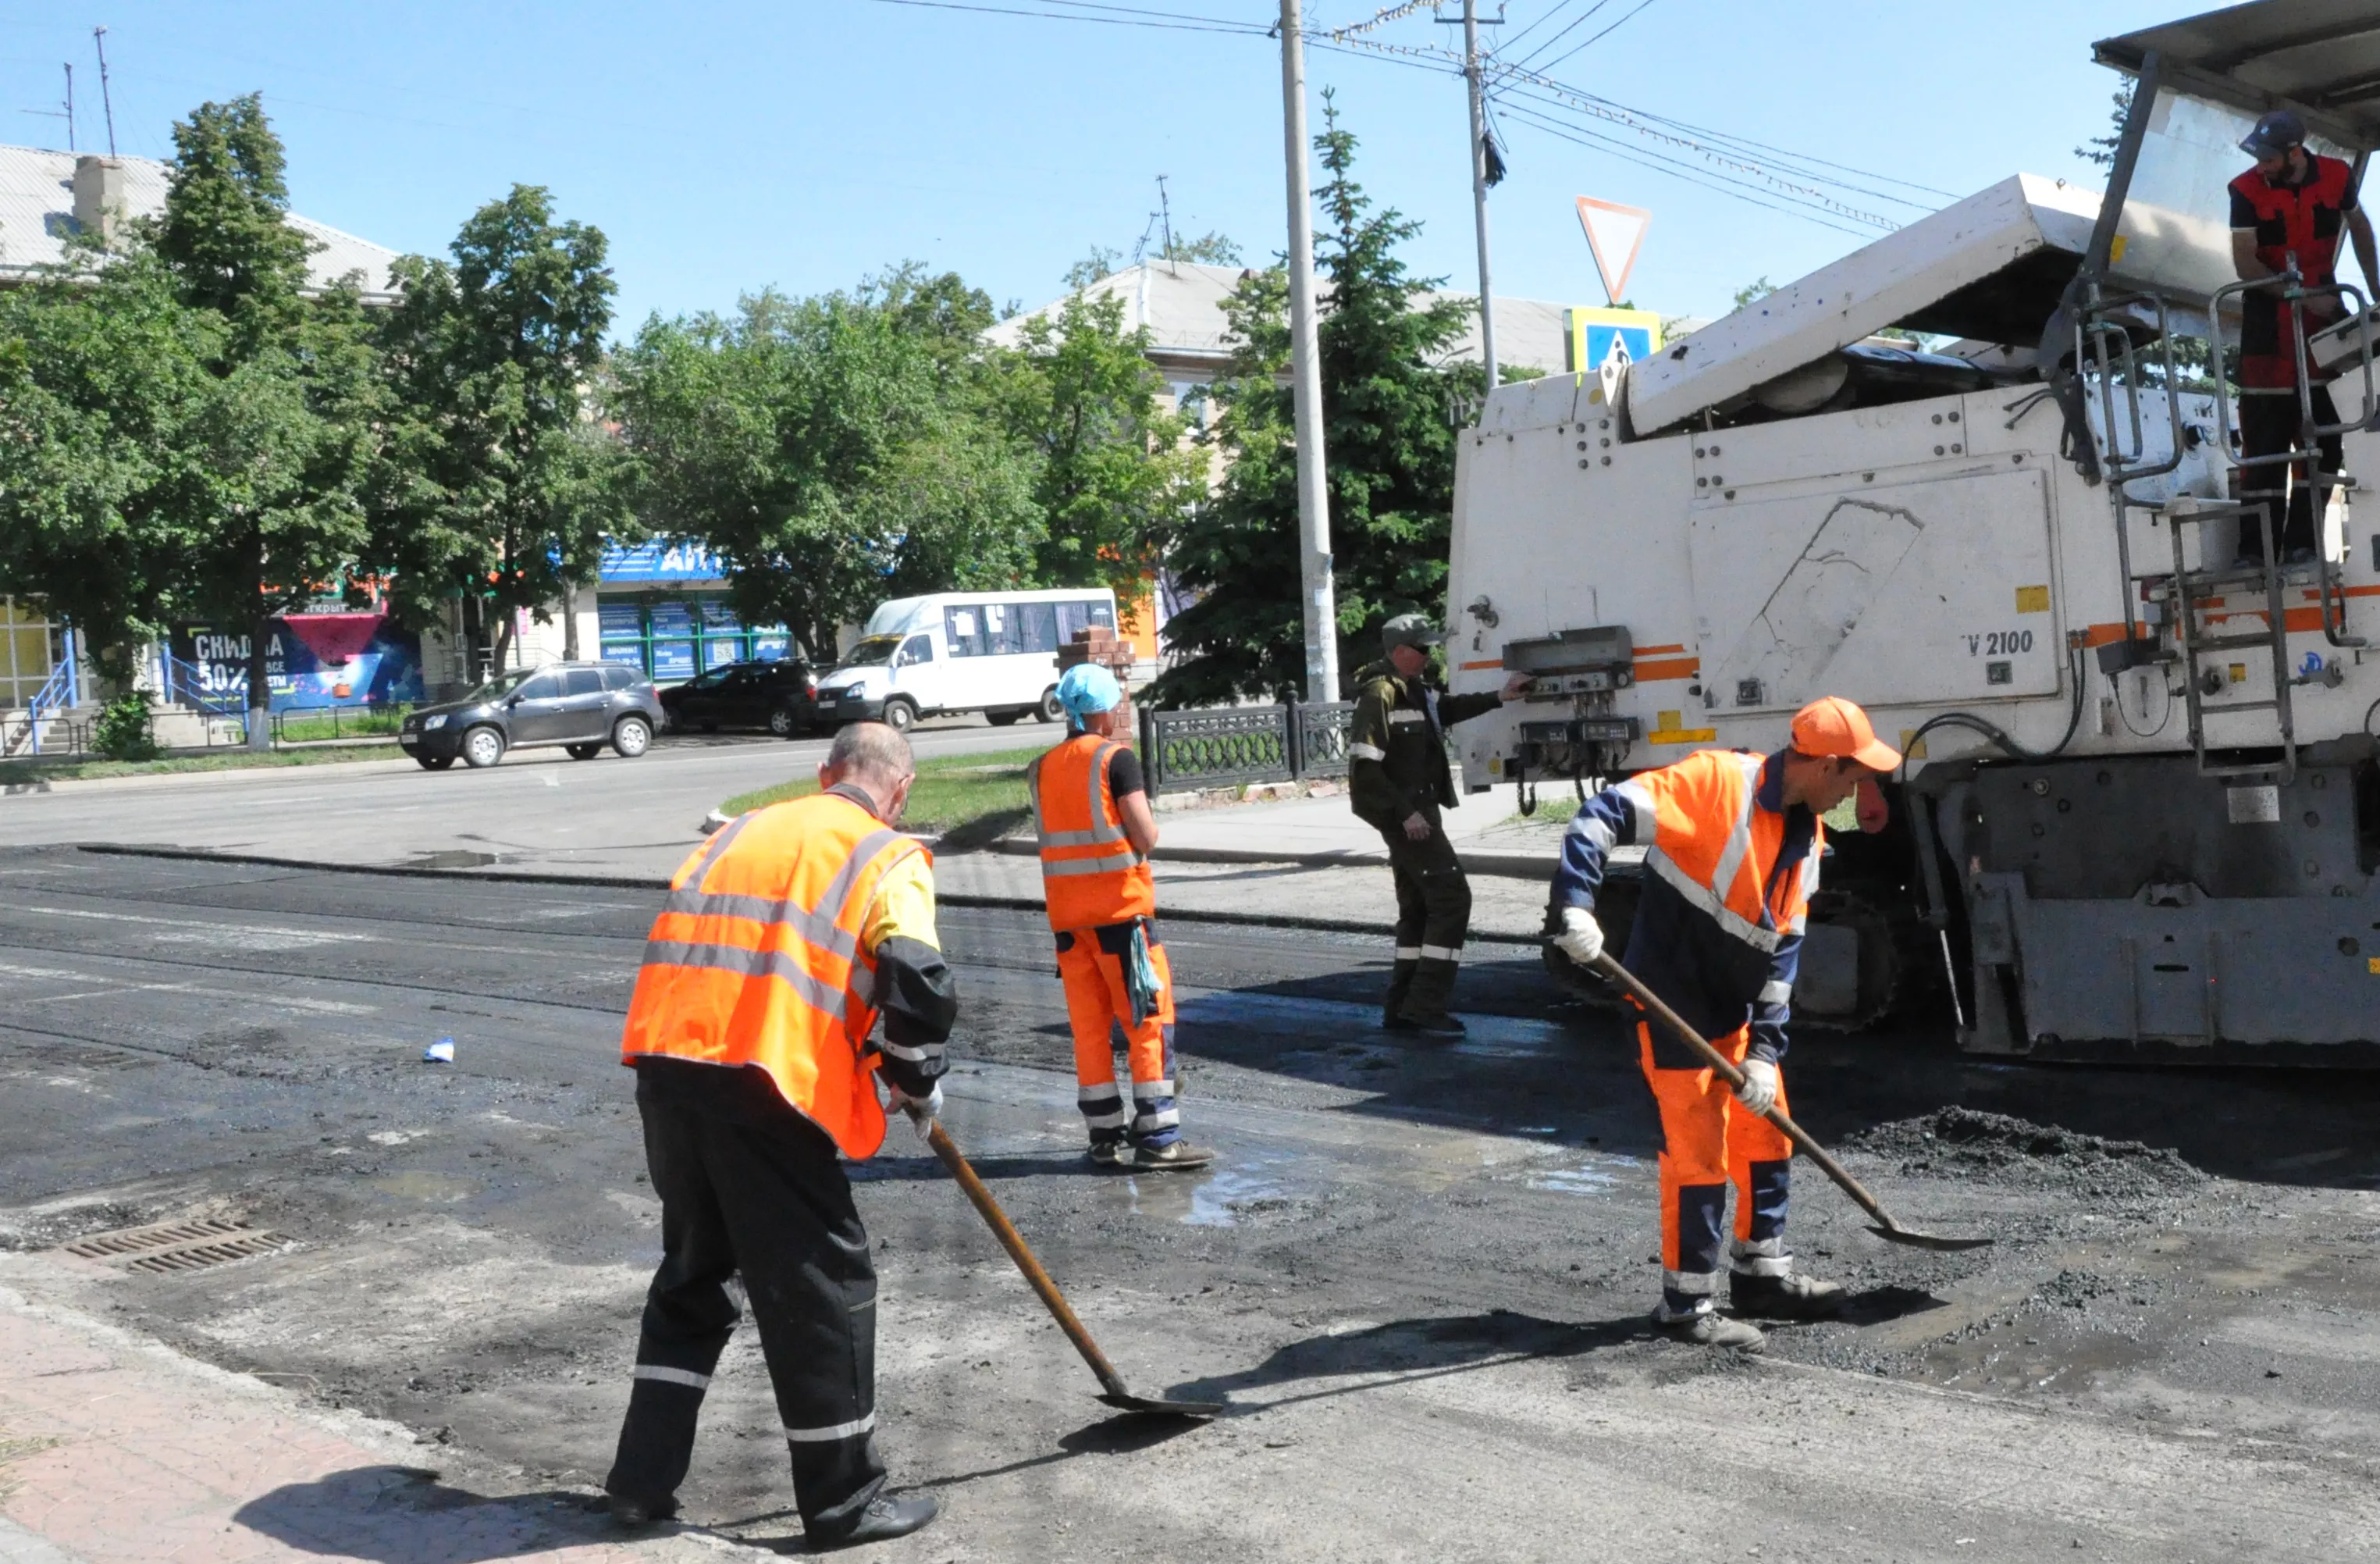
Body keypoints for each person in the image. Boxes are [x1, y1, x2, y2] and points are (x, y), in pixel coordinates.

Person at [605, 721, 953, 1548]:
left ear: (824, 771)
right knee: (823, 1287)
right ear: (898, 790)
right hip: (765, 1087)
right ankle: (844, 1503)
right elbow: (916, 979)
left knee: (694, 1275)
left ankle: (639, 1483)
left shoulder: (736, 833)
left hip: (668, 1064)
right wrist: (916, 1080)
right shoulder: (885, 853)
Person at [1546, 697, 1898, 1351]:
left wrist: (1765, 1051)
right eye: (1852, 778)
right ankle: (1684, 1305)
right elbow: (1597, 818)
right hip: (1672, 1006)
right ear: (1824, 766)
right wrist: (1573, 904)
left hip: (1734, 1012)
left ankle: (1762, 1276)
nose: (1855, 791)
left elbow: (1783, 951)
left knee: (1766, 1134)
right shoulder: (1713, 784)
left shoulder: (1807, 838)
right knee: (1698, 1157)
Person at [1031, 663, 1213, 1170]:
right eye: (1115, 702)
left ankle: (1104, 1134)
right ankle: (1157, 1137)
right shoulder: (1116, 760)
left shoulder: (1042, 767)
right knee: (1147, 1022)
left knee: (1089, 1029)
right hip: (1122, 919)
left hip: (1069, 924)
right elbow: (1145, 834)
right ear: (1105, 709)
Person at [1347, 614, 1534, 1035]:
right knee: (1452, 899)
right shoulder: (1380, 693)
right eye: (1422, 649)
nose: (1429, 656)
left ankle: (1402, 1007)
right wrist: (1404, 815)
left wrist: (1501, 696)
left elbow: (1445, 710)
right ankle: (1427, 1004)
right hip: (1408, 818)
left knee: (1418, 908)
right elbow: (1365, 770)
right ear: (1398, 652)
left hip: (1419, 814)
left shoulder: (1415, 692)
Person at [2229, 108, 2380, 565]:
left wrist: (2375, 296)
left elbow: (2360, 228)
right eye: (2259, 156)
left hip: (2325, 325)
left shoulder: (2336, 176)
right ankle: (2255, 551)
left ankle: (2304, 544)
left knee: (2328, 440)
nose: (2262, 165)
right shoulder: (2244, 189)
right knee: (2264, 442)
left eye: (2270, 157)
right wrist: (2297, 296)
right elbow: (2245, 264)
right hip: (2265, 331)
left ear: (2296, 152)